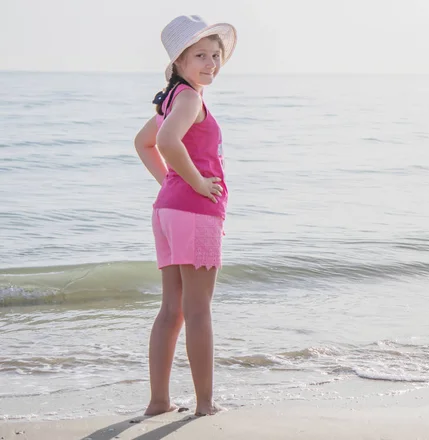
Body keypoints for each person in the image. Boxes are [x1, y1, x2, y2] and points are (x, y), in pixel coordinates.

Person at [133, 15, 237, 417]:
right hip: (194, 212)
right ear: (179, 60)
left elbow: (143, 144)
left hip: (168, 212)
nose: (210, 63)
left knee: (171, 310)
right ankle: (205, 406)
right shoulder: (190, 99)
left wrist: (170, 183)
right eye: (200, 56)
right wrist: (193, 183)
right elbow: (163, 142)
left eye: (215, 55)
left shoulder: (172, 98)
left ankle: (159, 402)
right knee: (197, 310)